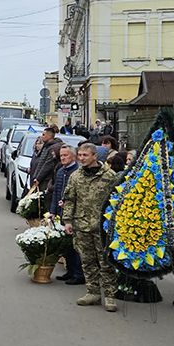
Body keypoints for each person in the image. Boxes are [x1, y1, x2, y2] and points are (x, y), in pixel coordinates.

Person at [63, 143, 119, 312]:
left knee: (106, 262)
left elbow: (117, 199)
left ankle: (110, 295)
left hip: (103, 226)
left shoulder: (109, 176)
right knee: (87, 261)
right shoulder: (75, 176)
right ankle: (93, 292)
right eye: (79, 155)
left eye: (85, 155)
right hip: (82, 224)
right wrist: (67, 221)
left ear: (94, 156)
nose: (81, 158)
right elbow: (69, 199)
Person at [49, 145, 83, 285]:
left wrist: (69, 204)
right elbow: (57, 192)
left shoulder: (77, 172)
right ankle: (70, 271)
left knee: (76, 246)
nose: (62, 158)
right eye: (61, 155)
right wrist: (52, 211)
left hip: (74, 215)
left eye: (66, 156)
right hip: (63, 214)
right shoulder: (61, 171)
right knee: (67, 245)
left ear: (73, 157)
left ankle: (79, 274)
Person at [30, 127, 63, 194]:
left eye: (43, 135)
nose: (42, 137)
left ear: (49, 136)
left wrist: (38, 178)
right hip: (41, 179)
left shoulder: (52, 148)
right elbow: (41, 163)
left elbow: (47, 165)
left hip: (46, 180)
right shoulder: (46, 146)